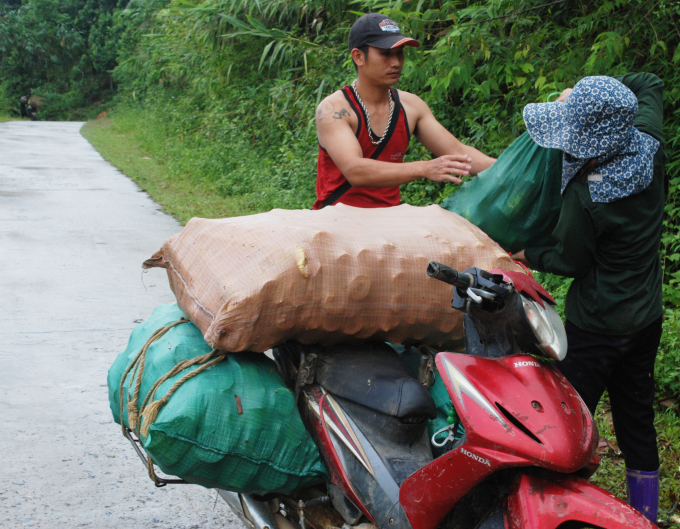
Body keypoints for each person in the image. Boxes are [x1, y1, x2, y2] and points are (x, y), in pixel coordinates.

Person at [512, 73, 666, 524]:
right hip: (645, 316)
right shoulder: (650, 143)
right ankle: (647, 515)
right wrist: (586, 97)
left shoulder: (587, 194)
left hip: (596, 324)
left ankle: (560, 508)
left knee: (568, 417)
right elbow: (648, 80)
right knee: (636, 417)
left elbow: (571, 258)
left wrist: (525, 252)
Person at [312, 13, 496, 210]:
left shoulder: (411, 106)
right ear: (358, 56)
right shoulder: (334, 109)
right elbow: (355, 170)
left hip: (391, 220)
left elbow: (458, 152)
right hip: (337, 221)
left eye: (399, 53)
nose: (396, 62)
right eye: (386, 53)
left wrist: (513, 167)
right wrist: (425, 168)